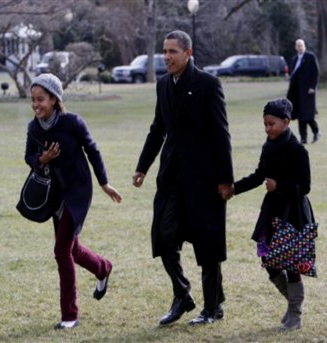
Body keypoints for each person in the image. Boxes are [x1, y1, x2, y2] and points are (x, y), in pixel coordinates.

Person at [132, 30, 234, 326]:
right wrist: (142, 167)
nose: (167, 57)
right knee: (163, 236)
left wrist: (225, 178)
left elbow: (221, 133)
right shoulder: (163, 85)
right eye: (164, 51)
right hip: (171, 176)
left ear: (188, 54)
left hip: (205, 179)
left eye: (173, 51)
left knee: (207, 243)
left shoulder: (207, 84)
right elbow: (157, 129)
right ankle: (182, 294)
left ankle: (213, 307)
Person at [25, 73, 122, 329]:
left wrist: (104, 183)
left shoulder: (72, 122)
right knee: (72, 249)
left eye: (41, 99)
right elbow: (29, 157)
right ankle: (102, 268)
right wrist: (42, 159)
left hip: (78, 191)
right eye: (33, 100)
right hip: (54, 193)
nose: (36, 105)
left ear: (55, 100)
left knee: (61, 251)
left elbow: (93, 150)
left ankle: (70, 316)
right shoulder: (34, 128)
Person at [233, 98, 311, 330]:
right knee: (269, 261)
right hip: (271, 212)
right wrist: (234, 189)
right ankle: (292, 304)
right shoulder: (268, 146)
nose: (267, 129)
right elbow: (259, 175)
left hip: (293, 213)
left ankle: (295, 315)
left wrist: (279, 186)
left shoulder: (298, 151)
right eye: (265, 124)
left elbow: (304, 187)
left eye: (272, 124)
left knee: (292, 264)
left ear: (286, 122)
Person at [286, 38, 321, 144]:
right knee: (300, 115)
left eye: (301, 45)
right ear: (295, 47)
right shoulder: (294, 59)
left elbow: (315, 73)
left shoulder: (310, 57)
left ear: (304, 46)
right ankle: (303, 138)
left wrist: (312, 87)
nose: (300, 47)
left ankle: (316, 131)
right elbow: (293, 74)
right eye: (298, 45)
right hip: (297, 91)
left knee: (307, 115)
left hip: (308, 91)